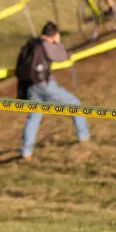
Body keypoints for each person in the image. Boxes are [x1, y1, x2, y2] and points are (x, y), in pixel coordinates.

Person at [16, 21, 90, 160]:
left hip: (31, 86)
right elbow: (62, 56)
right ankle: (84, 136)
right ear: (55, 35)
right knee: (74, 104)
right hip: (45, 85)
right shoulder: (47, 45)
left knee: (34, 117)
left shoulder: (32, 44)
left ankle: (26, 152)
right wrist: (59, 44)